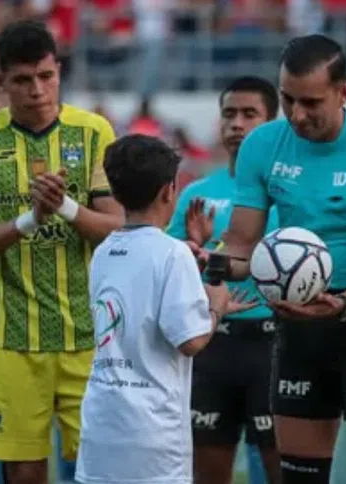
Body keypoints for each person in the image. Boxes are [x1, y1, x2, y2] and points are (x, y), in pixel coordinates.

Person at [199, 34, 346, 484]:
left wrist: (342, 304)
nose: (297, 115)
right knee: (298, 474)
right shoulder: (262, 145)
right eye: (288, 99)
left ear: (344, 93)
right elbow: (241, 247)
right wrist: (210, 262)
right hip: (298, 320)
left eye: (311, 102)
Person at [0, 20, 124, 484]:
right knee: (23, 473)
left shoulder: (94, 132)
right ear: (0, 81)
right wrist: (30, 219)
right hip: (10, 339)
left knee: (102, 469)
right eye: (22, 80)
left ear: (58, 71)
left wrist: (64, 207)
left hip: (89, 335)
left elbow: (118, 231)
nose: (37, 90)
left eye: (46, 76)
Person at [75, 134, 251, 483]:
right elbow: (191, 341)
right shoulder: (172, 254)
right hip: (151, 434)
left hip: (101, 426)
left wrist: (192, 258)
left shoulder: (104, 251)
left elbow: (142, 303)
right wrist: (216, 308)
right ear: (168, 191)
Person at [166, 76, 282, 484]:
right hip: (213, 343)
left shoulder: (288, 192)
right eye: (229, 114)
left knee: (281, 470)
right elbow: (170, 270)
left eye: (250, 114)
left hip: (274, 344)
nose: (237, 123)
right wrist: (195, 248)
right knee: (208, 473)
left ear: (272, 123)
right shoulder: (197, 194)